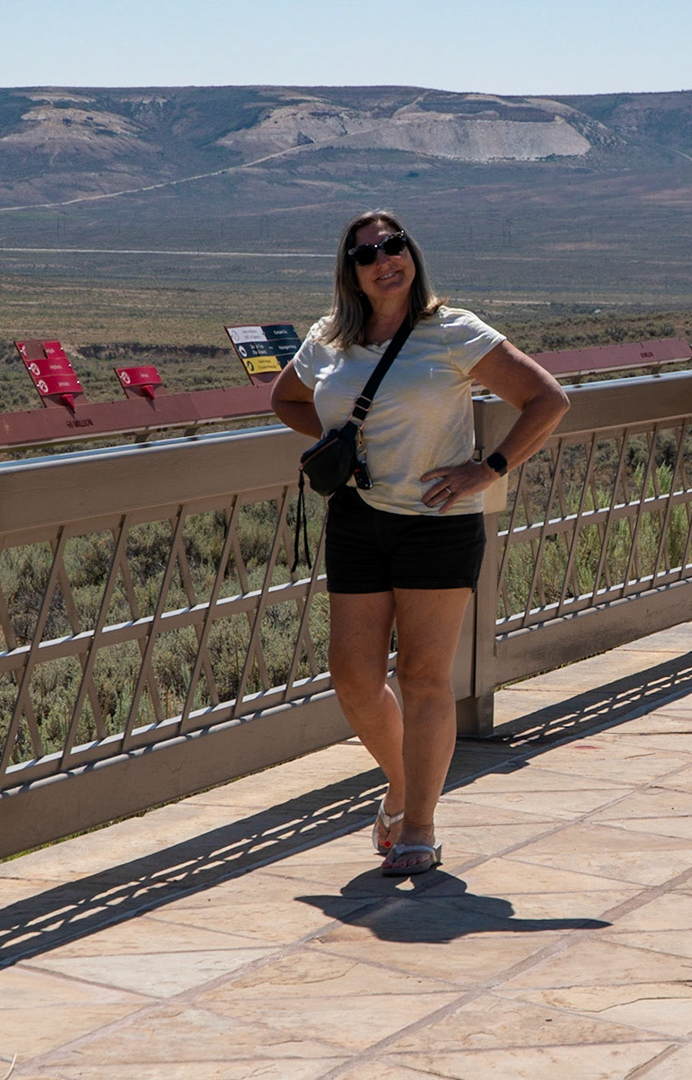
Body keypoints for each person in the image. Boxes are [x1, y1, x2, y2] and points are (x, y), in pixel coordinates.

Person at [269, 211, 569, 875]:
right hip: (357, 514)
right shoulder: (330, 337)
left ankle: (420, 830)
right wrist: (334, 448)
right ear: (350, 270)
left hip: (438, 520)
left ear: (413, 253)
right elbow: (286, 397)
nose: (384, 259)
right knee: (352, 675)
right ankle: (403, 787)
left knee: (423, 675)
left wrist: (487, 469)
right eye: (366, 252)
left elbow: (546, 400)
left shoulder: (452, 330)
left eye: (394, 245)